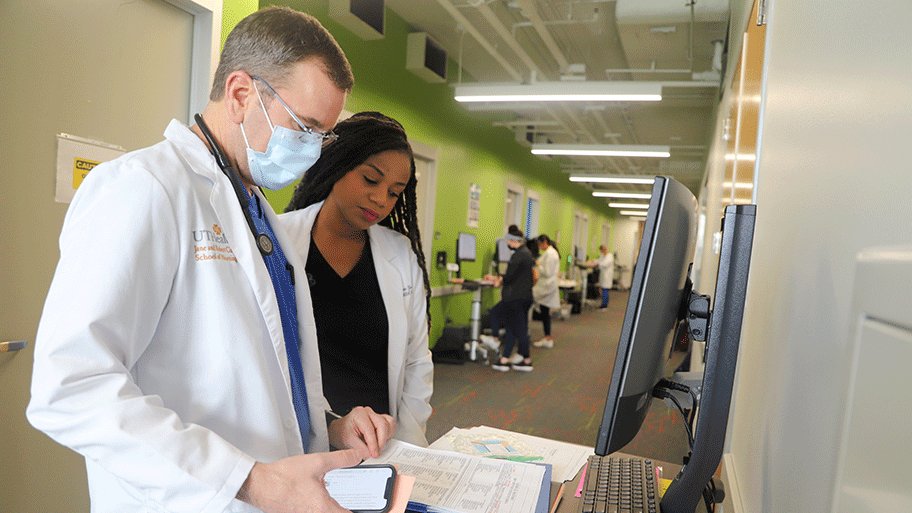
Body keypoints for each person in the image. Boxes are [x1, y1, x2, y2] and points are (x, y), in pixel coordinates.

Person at [26, 7, 394, 513]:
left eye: (322, 135)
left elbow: (263, 365)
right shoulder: (144, 188)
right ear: (242, 94)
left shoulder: (257, 210)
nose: (313, 151)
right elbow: (70, 387)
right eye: (304, 128)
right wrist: (249, 481)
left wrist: (327, 424)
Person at [281, 111, 433, 447]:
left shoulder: (400, 254)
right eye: (370, 180)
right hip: (300, 444)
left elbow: (417, 361)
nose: (381, 200)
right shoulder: (279, 243)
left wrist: (407, 447)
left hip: (382, 446)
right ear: (337, 164)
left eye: (395, 193)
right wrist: (329, 429)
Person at [480, 226, 536, 372]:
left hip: (515, 298)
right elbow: (516, 276)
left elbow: (510, 276)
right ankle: (506, 359)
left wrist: (498, 280)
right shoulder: (527, 254)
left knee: (499, 315)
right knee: (513, 328)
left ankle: (495, 339)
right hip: (524, 297)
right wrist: (498, 278)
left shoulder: (518, 256)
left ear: (513, 240)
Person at [532, 235, 561, 348]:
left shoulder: (550, 254)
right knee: (545, 312)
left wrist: (538, 265)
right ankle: (547, 337)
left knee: (544, 312)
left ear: (544, 242)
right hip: (547, 285)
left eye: (539, 245)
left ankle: (548, 338)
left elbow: (547, 272)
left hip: (547, 285)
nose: (539, 247)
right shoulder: (550, 253)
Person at [596, 244, 616, 309]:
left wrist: (597, 263)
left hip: (607, 275)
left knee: (605, 290)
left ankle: (604, 305)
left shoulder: (610, 256)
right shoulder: (602, 255)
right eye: (601, 250)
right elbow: (598, 260)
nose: (602, 252)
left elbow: (605, 264)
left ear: (606, 249)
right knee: (604, 289)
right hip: (603, 275)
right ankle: (604, 304)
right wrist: (594, 261)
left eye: (603, 250)